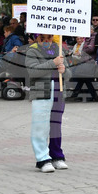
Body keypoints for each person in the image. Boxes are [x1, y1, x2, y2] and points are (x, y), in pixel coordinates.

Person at [25, 33, 70, 173]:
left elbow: (68, 75)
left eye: (49, 38)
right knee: (41, 126)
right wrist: (53, 63)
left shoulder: (59, 49)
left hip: (58, 91)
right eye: (42, 38)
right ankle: (42, 158)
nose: (46, 41)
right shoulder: (32, 50)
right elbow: (33, 71)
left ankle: (57, 156)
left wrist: (64, 70)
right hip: (41, 92)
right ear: (37, 38)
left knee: (56, 125)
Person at [66, 35, 98, 102]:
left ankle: (76, 95)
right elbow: (74, 54)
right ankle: (92, 96)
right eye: (78, 39)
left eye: (81, 38)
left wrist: (78, 54)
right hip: (77, 65)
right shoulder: (75, 46)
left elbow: (84, 54)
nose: (79, 40)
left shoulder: (85, 45)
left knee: (86, 80)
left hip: (85, 64)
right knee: (82, 81)